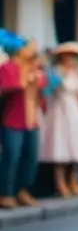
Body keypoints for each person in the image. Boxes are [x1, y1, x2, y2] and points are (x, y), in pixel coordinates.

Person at [38, 42, 78, 196]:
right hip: (59, 110)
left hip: (74, 111)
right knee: (60, 147)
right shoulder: (55, 72)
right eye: (67, 56)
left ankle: (74, 181)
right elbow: (50, 90)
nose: (70, 59)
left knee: (76, 147)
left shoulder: (76, 73)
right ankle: (60, 183)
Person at [0, 32, 46, 208]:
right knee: (11, 156)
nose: (33, 51)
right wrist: (24, 80)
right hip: (12, 119)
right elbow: (8, 86)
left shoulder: (34, 67)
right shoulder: (8, 67)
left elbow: (45, 83)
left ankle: (23, 190)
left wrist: (35, 76)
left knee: (31, 157)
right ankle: (6, 193)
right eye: (30, 47)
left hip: (32, 120)